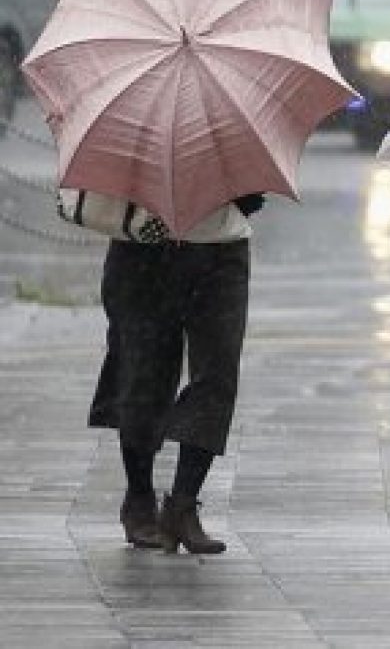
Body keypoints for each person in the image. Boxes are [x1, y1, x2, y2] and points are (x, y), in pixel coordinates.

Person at [79, 191, 265, 554]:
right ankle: (139, 498)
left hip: (221, 247)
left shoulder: (224, 131)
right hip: (143, 247)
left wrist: (247, 192)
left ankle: (182, 504)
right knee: (143, 373)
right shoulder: (132, 133)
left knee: (217, 375)